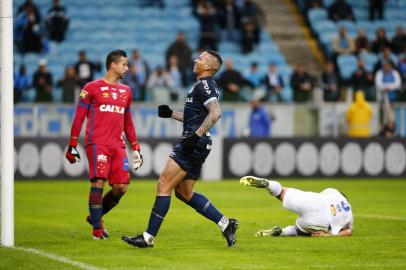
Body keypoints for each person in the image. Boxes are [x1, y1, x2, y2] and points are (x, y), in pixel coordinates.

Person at [122, 50, 238, 248]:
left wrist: (196, 135)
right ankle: (225, 224)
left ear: (208, 67)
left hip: (194, 143)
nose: (196, 59)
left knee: (164, 184)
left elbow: (216, 113)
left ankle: (148, 237)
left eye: (200, 58)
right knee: (184, 193)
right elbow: (196, 118)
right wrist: (172, 114)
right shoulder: (204, 86)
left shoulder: (204, 85)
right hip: (199, 143)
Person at [65, 50, 144, 240]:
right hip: (97, 143)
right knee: (98, 182)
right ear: (113, 65)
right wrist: (72, 144)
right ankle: (97, 230)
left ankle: (95, 217)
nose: (127, 68)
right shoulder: (91, 88)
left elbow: (128, 121)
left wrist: (136, 147)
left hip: (118, 146)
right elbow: (79, 116)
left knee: (121, 187)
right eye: (124, 64)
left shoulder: (126, 91)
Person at [240, 176, 353, 237]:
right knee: (301, 231)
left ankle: (268, 184)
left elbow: (322, 193)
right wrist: (328, 235)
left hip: (316, 201)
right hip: (322, 221)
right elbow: (348, 232)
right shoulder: (349, 215)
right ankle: (283, 232)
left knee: (281, 192)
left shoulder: (334, 192)